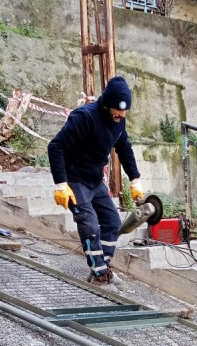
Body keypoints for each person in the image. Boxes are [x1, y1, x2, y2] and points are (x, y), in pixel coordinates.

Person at [48, 75, 144, 285]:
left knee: (112, 222)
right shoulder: (84, 117)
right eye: (118, 110)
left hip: (95, 181)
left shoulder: (119, 121)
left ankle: (102, 268)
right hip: (74, 181)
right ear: (107, 104)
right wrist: (61, 184)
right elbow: (55, 146)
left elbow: (124, 147)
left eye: (125, 110)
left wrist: (135, 179)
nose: (122, 114)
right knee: (90, 225)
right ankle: (100, 275)